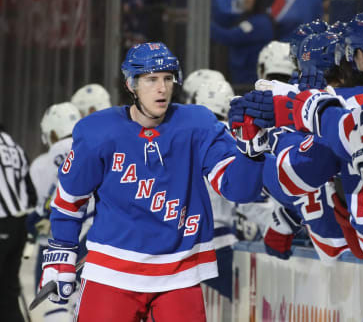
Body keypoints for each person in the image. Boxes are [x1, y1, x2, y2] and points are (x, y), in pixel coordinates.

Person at [39, 42, 266, 322]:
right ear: (131, 84)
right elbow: (70, 199)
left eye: (167, 79)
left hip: (179, 273)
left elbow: (239, 189)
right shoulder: (98, 131)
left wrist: (252, 150)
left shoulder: (198, 125)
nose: (162, 88)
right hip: (111, 272)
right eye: (151, 79)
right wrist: (61, 249)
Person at [27, 102, 82, 322]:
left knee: (55, 305)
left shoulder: (46, 160)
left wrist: (32, 221)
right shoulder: (95, 147)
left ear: (51, 132)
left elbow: (39, 209)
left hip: (58, 244)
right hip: (95, 241)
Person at [211, 0, 277, 84]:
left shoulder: (259, 23)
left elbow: (228, 37)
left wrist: (202, 22)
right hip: (244, 79)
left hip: (248, 83)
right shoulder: (254, 19)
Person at [0, 127, 37, 322]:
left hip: (2, 220)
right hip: (19, 224)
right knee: (8, 291)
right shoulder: (14, 146)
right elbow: (31, 193)